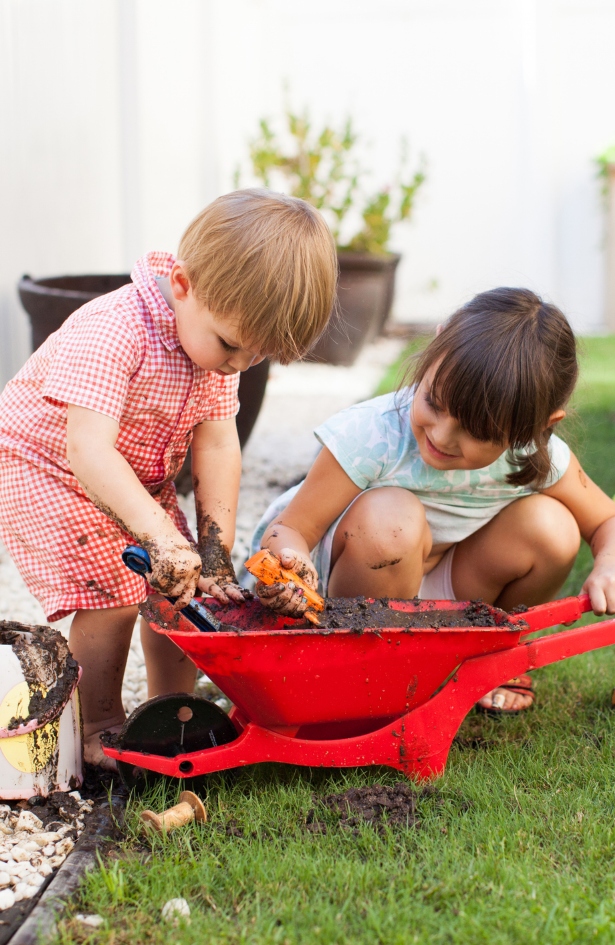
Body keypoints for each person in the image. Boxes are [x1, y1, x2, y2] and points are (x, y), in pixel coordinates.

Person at [0, 189, 337, 765]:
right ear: (182, 285)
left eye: (257, 357)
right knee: (111, 592)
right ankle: (99, 725)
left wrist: (213, 551)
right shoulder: (114, 330)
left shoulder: (215, 344)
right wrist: (159, 535)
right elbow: (87, 449)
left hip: (129, 476)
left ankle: (173, 706)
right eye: (231, 345)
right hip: (51, 466)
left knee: (183, 590)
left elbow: (219, 444)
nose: (238, 365)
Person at [251, 287, 615, 713]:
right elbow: (289, 530)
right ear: (435, 344)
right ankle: (368, 667)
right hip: (347, 595)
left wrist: (607, 566)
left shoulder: (533, 456)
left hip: (443, 589)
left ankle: (486, 655)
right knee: (392, 521)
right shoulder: (373, 435)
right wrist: (292, 563)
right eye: (434, 403)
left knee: (553, 528)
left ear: (536, 428)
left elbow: (604, 520)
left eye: (477, 432)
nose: (441, 436)